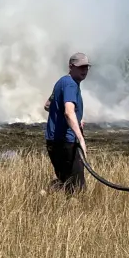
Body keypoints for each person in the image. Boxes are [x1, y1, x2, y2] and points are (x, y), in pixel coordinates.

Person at [43, 52, 90, 193]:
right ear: (71, 66)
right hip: (66, 142)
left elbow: (47, 105)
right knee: (77, 188)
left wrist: (75, 120)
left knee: (65, 181)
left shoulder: (62, 82)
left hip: (53, 141)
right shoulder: (70, 85)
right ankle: (76, 212)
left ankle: (45, 194)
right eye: (81, 67)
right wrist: (81, 139)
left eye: (86, 67)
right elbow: (68, 112)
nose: (85, 70)